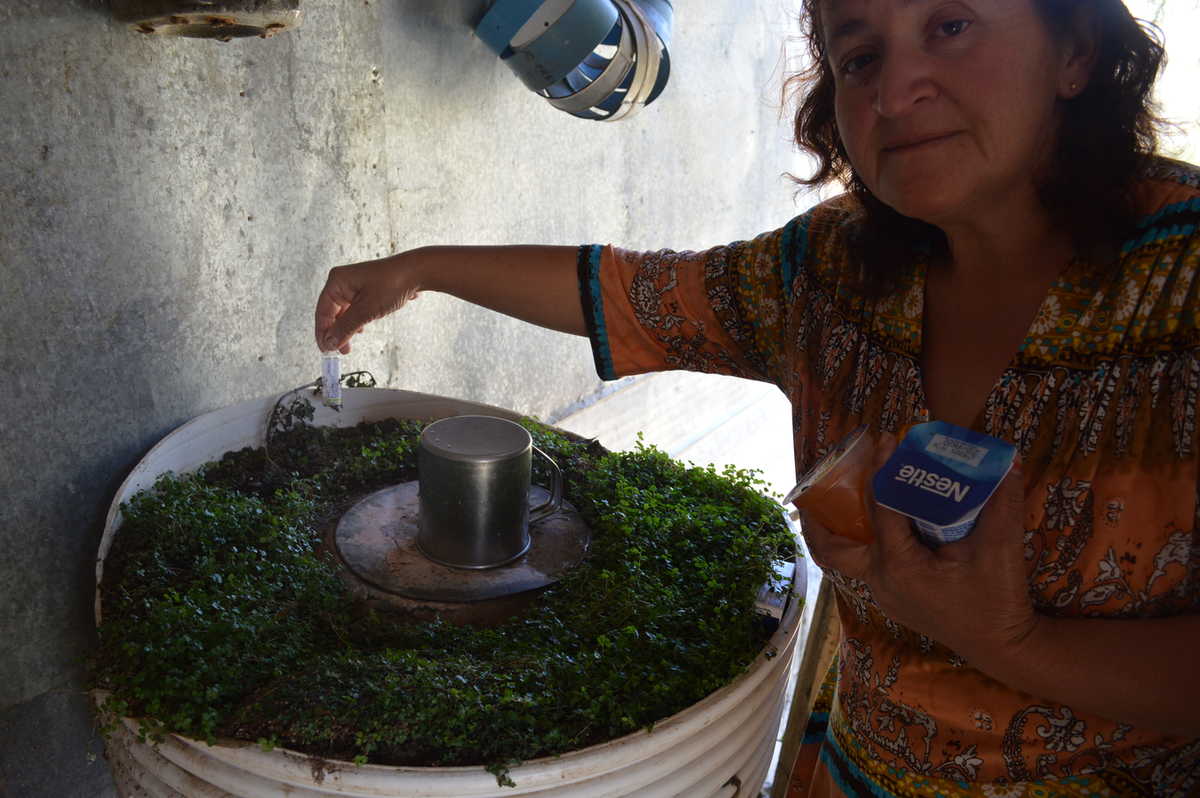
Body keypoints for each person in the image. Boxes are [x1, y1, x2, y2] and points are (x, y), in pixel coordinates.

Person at [314, 0, 1200, 794]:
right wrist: (421, 269)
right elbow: (632, 294)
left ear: (1075, 50)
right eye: (858, 57)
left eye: (951, 26)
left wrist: (1016, 644)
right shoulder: (831, 274)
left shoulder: (1182, 283)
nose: (894, 92)